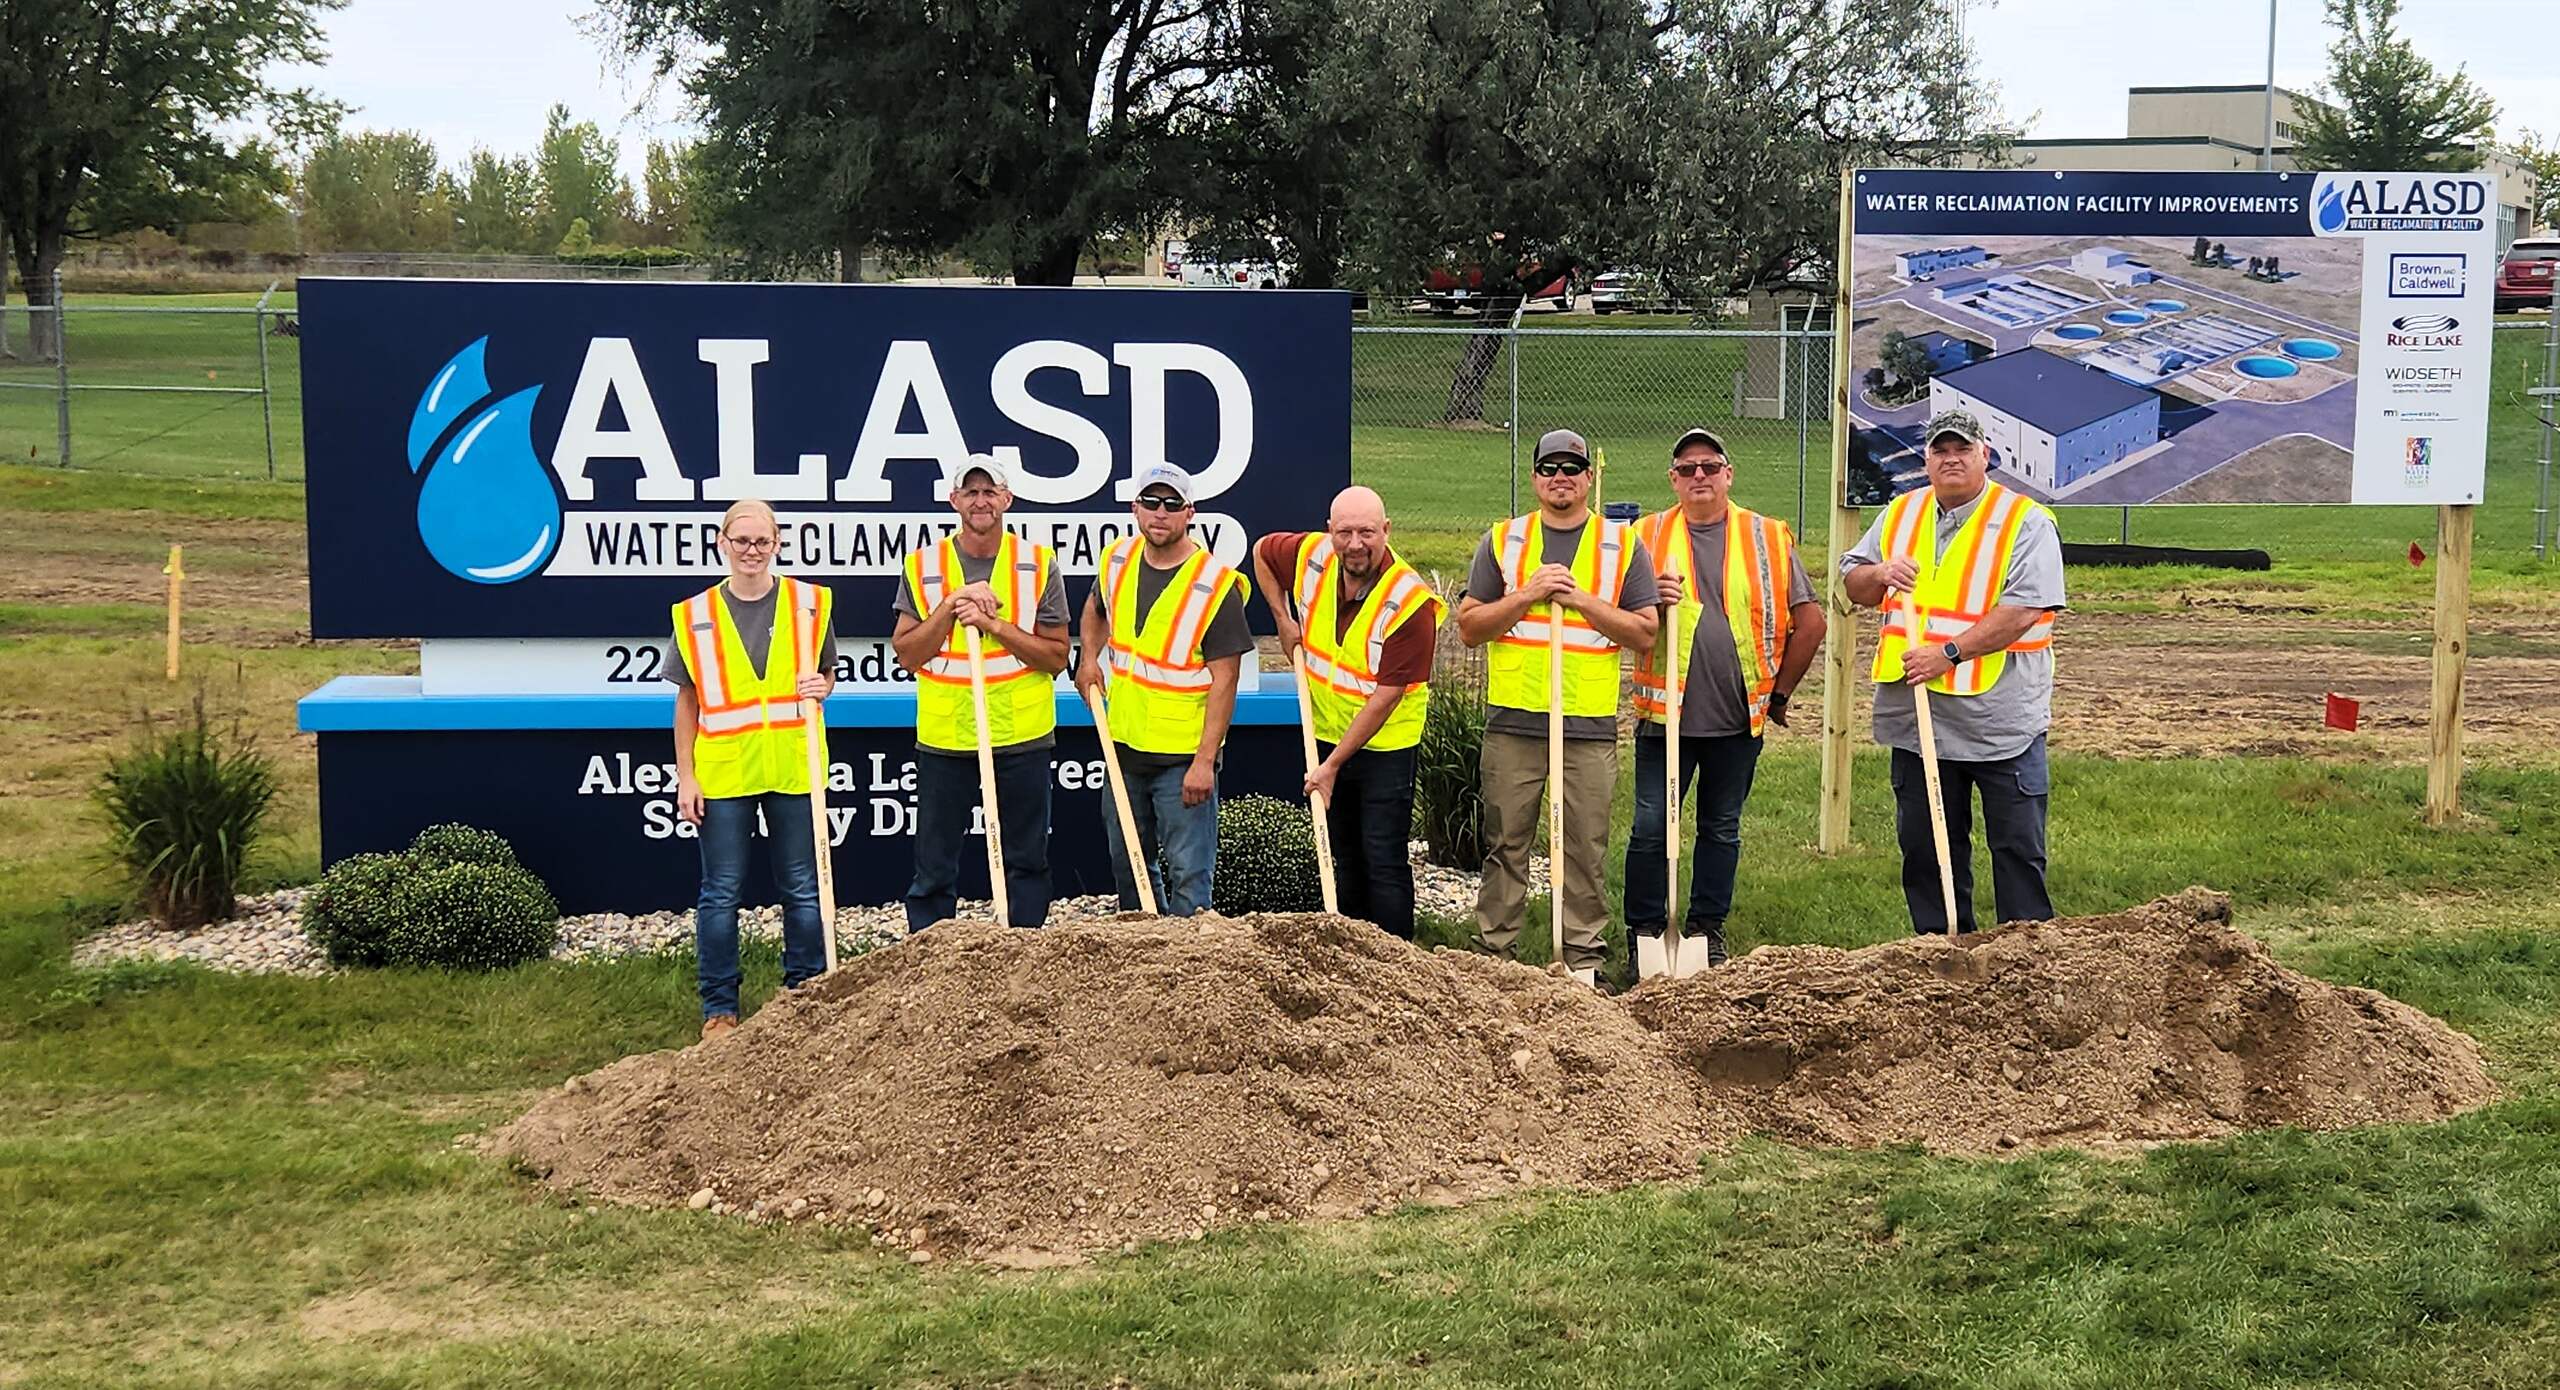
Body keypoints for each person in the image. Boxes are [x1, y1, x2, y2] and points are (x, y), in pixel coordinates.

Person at [1840, 408, 2066, 935]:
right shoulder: (1901, 513)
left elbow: (2024, 610)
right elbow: (1853, 582)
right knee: (1927, 850)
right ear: (1926, 460)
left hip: (2000, 721)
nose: (1951, 459)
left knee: (2017, 850)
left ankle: (2026, 955)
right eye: (1940, 450)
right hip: (1918, 722)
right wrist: (1880, 572)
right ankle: (1940, 950)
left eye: (1962, 449)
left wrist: (1948, 653)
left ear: (1985, 455)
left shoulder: (2025, 521)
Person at [1622, 428, 1826, 973]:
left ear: (1728, 475)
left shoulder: (1767, 536)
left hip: (1737, 718)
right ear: (1673, 479)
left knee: (1720, 828)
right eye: (1687, 469)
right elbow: (1616, 617)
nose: (1700, 477)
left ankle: (1706, 929)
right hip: (1663, 715)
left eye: (1710, 467)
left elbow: (1811, 622)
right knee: (1650, 828)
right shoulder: (1644, 536)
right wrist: (1648, 599)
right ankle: (1643, 931)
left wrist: (1780, 694)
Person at [1455, 428, 1657, 978]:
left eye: (1571, 468)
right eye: (1549, 468)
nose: (1560, 478)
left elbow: (1644, 633)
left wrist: (1580, 599)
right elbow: (1470, 627)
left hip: (1586, 725)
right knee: (1506, 841)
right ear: (1535, 478)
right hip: (1514, 722)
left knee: (1584, 846)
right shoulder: (1504, 541)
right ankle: (1496, 954)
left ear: (1589, 477)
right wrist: (1527, 594)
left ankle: (1583, 958)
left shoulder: (1621, 545)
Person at [664, 498, 837, 1041]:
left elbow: (826, 674)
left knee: (802, 889)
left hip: (792, 764)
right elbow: (687, 701)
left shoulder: (810, 604)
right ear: (722, 543)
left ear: (778, 543)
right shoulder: (695, 615)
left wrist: (824, 687)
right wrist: (686, 776)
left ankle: (804, 995)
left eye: (762, 541)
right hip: (725, 771)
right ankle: (720, 1009)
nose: (752, 551)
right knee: (720, 893)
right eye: (741, 540)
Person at [1251, 484, 1443, 938]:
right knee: (1343, 852)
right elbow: (1261, 552)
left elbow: (1387, 696)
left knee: (1382, 856)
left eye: (1367, 533)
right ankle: (1353, 951)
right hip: (1325, 731)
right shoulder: (1312, 557)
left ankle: (1396, 958)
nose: (1355, 544)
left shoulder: (1410, 604)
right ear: (1329, 531)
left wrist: (1331, 766)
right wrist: (1282, 618)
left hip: (1385, 746)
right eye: (1344, 533)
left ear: (1386, 530)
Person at [890, 453, 1071, 932]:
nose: (981, 500)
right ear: (954, 500)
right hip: (946, 736)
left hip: (1022, 734)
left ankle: (1023, 950)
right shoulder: (924, 566)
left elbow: (1056, 657)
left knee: (1026, 860)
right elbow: (908, 654)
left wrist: (994, 625)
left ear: (1007, 499)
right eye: (970, 492)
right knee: (933, 865)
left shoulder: (1038, 564)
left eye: (990, 491)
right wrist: (951, 605)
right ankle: (932, 954)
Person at [1074, 463, 1253, 916]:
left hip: (1182, 760)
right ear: (1135, 508)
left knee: (1189, 875)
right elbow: (1094, 609)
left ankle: (1188, 954)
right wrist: (1088, 658)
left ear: (1190, 513)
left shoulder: (1214, 585)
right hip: (1123, 746)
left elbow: (1226, 679)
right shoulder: (1117, 560)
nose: (1160, 512)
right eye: (1151, 502)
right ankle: (1145, 946)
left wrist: (1205, 763)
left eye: (1172, 504)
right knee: (1129, 866)